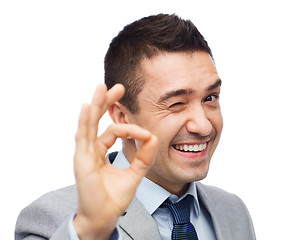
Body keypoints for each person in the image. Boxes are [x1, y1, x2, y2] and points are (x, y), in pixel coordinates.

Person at [15, 13, 256, 240]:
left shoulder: (233, 212)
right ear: (121, 116)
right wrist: (90, 229)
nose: (203, 126)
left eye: (210, 98)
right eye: (176, 103)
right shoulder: (53, 221)